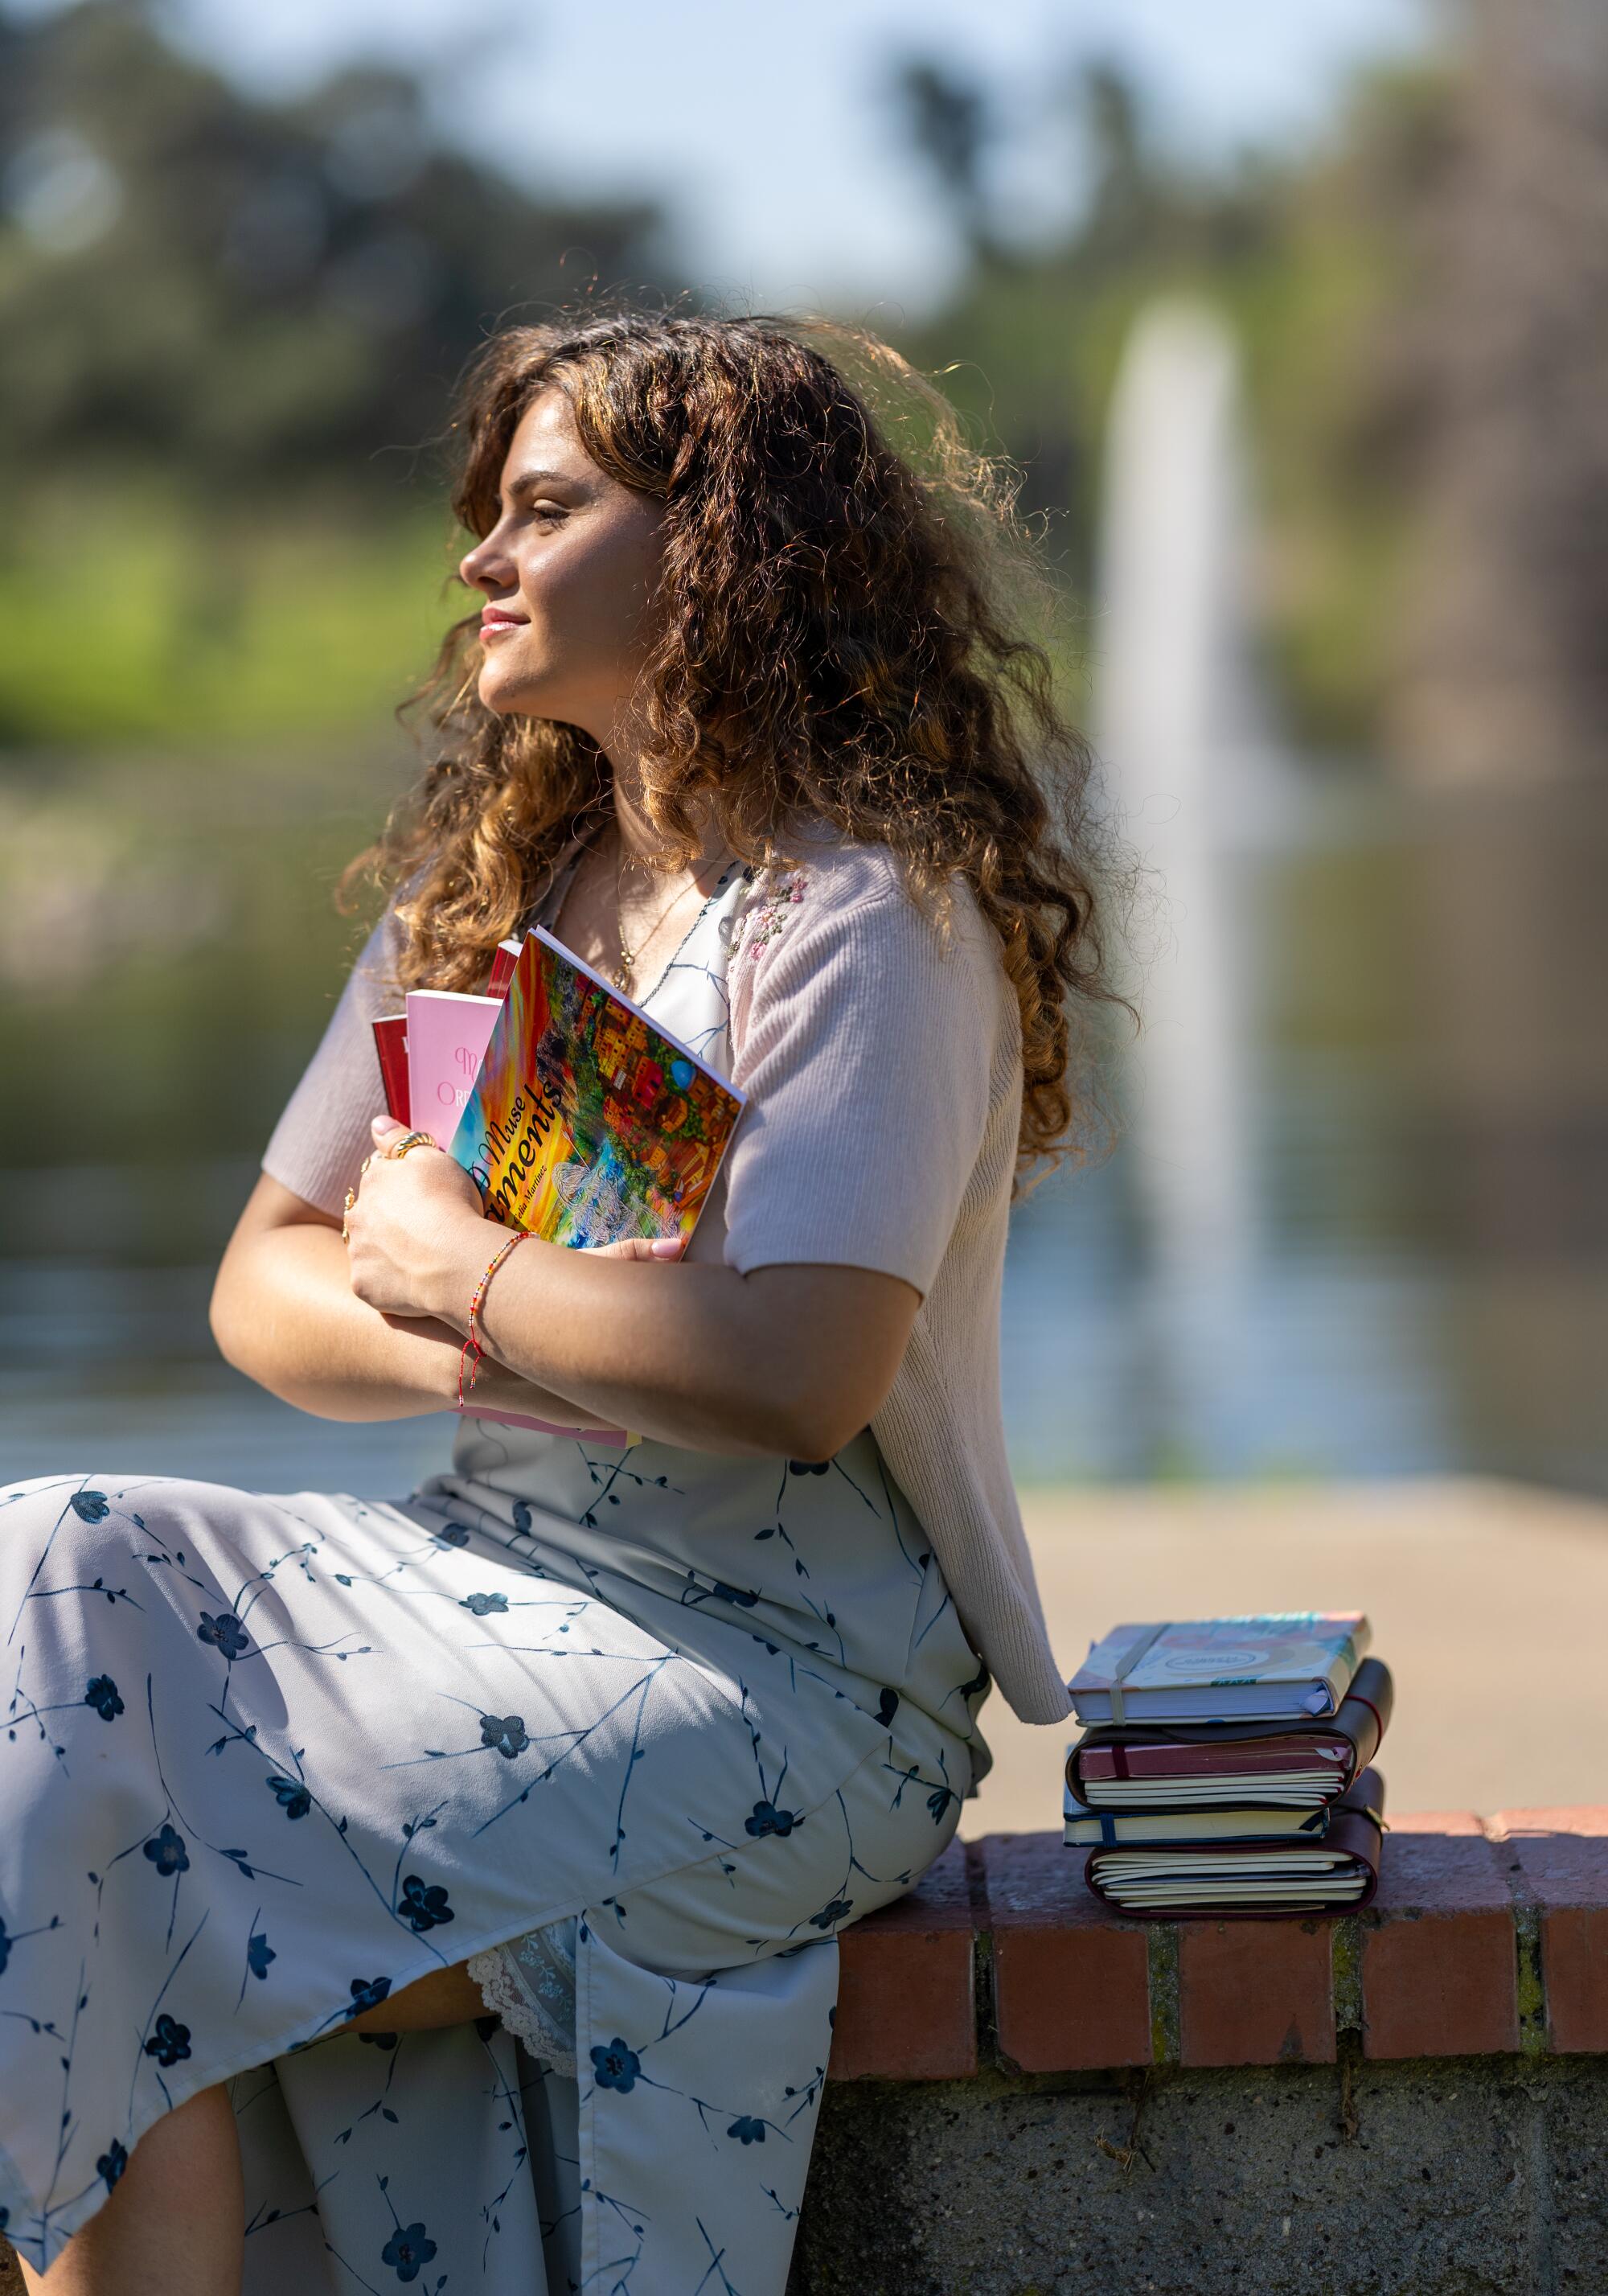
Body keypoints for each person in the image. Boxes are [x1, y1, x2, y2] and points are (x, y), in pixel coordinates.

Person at [0, 310, 1121, 2296]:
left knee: (86, 1864)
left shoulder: (872, 908)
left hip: (777, 1685)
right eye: (486, 514)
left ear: (713, 548)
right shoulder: (494, 887)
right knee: (54, 1562)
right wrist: (473, 1325)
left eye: (541, 509)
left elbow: (794, 1373)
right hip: (478, 1583)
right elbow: (263, 1285)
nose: (478, 562)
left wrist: (475, 1264)